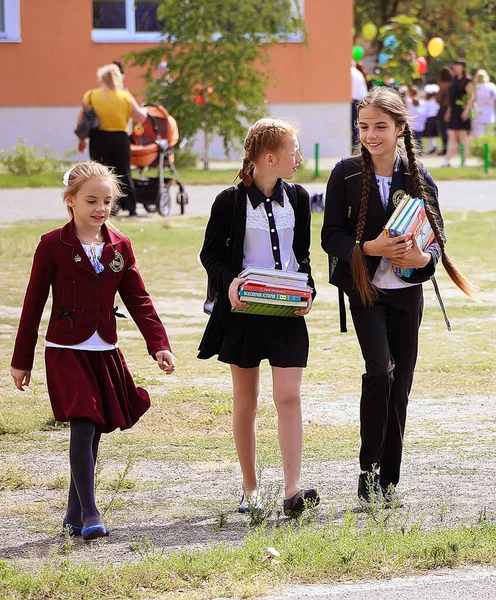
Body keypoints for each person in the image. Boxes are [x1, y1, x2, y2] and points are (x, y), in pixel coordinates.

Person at [321, 87, 476, 507]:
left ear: (400, 128)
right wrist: (372, 248)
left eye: (380, 127)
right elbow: (329, 236)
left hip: (408, 295)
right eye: (364, 127)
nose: (370, 135)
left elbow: (438, 242)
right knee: (380, 373)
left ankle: (389, 481)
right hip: (365, 291)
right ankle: (367, 471)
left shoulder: (420, 178)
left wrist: (419, 255)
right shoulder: (345, 173)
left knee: (400, 388)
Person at [10, 161, 175, 540]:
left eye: (106, 201)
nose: (100, 209)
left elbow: (138, 298)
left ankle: (72, 515)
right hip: (65, 350)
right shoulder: (52, 244)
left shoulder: (120, 246)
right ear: (70, 202)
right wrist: (22, 360)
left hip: (105, 349)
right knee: (83, 422)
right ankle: (91, 513)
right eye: (91, 201)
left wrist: (159, 344)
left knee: (95, 429)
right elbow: (33, 303)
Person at [198, 118, 320, 517]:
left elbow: (301, 255)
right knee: (246, 401)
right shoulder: (229, 202)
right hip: (244, 314)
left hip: (287, 313)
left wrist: (309, 288)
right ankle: (250, 491)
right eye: (293, 152)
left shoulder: (299, 199)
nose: (299, 158)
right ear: (270, 158)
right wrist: (229, 283)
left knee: (289, 395)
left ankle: (292, 490)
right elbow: (210, 255)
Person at [76, 63, 148, 216]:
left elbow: (81, 119)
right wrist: (145, 111)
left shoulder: (90, 95)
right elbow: (140, 117)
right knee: (123, 172)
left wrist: (81, 140)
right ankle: (131, 208)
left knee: (100, 175)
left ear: (101, 78)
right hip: (119, 139)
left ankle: (104, 207)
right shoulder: (125, 96)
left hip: (98, 138)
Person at [443, 59, 476, 167]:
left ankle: (464, 160)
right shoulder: (453, 81)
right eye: (455, 65)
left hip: (463, 110)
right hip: (454, 111)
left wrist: (466, 110)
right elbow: (451, 98)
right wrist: (448, 111)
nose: (456, 67)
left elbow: (471, 96)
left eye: (458, 65)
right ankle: (447, 160)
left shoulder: (467, 81)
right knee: (451, 135)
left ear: (463, 67)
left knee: (463, 137)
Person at [472, 69, 496, 138]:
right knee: (489, 136)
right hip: (490, 115)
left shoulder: (476, 87)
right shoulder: (491, 87)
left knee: (478, 136)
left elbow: (472, 102)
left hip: (478, 114)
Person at [435, 67, 453, 155]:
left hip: (444, 108)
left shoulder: (443, 85)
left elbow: (438, 98)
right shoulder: (452, 84)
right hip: (452, 109)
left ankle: (445, 148)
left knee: (443, 129)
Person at [351, 61, 369, 147]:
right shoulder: (358, 73)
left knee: (355, 125)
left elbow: (353, 90)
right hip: (362, 101)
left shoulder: (352, 73)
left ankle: (356, 145)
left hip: (356, 101)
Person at [405, 86, 426, 151]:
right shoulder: (421, 101)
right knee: (419, 138)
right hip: (419, 121)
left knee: (412, 138)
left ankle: (414, 150)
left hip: (412, 121)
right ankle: (419, 149)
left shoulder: (408, 101)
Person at [423, 84, 440, 154]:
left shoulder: (427, 102)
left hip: (430, 118)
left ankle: (432, 147)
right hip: (435, 118)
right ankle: (433, 146)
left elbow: (425, 112)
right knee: (431, 134)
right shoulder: (436, 102)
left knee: (430, 134)